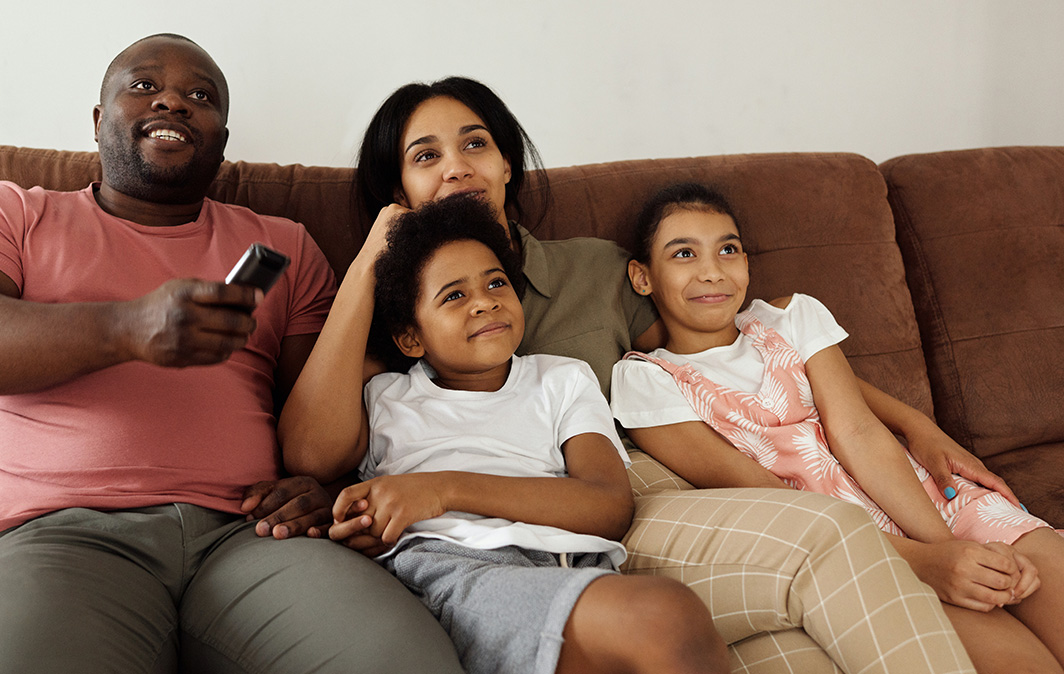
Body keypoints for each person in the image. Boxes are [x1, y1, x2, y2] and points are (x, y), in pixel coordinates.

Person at [279, 76, 988, 673]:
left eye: (476, 144)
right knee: (815, 553)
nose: (457, 167)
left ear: (506, 167)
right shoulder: (398, 324)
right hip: (591, 514)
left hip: (642, 477)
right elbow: (316, 452)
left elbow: (726, 346)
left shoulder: (593, 269)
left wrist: (910, 421)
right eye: (425, 155)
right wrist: (376, 256)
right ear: (398, 189)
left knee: (796, 636)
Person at [0, 34, 463, 674]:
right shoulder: (11, 213)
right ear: (97, 120)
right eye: (143, 86)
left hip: (251, 537)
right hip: (56, 535)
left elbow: (318, 421)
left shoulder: (282, 247)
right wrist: (128, 328)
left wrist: (323, 485)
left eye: (201, 97)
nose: (174, 102)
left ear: (221, 140)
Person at [610, 182, 1064, 673]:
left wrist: (950, 549)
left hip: (933, 505)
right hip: (859, 555)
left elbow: (860, 434)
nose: (712, 271)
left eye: (728, 249)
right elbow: (769, 500)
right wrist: (929, 564)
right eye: (683, 253)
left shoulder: (790, 317)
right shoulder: (646, 381)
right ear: (642, 277)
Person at [304, 194, 730, 673]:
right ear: (411, 338)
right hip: (455, 566)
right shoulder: (384, 396)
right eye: (455, 295)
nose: (485, 301)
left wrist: (442, 489)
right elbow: (313, 456)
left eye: (496, 283)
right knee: (665, 616)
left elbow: (609, 507)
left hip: (573, 563)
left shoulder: (562, 378)